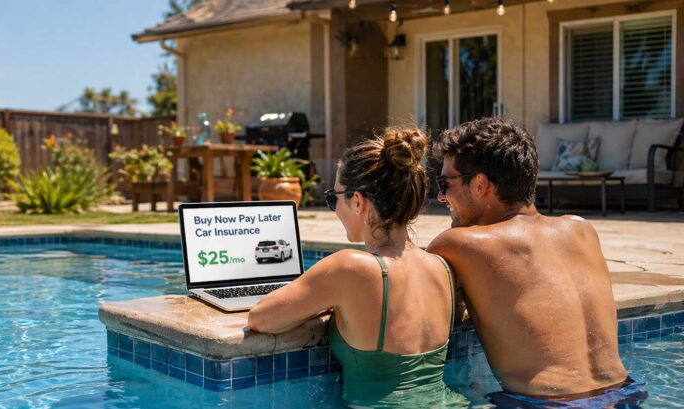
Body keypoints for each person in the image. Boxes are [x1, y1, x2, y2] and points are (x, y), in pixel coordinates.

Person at [427, 117, 645, 405]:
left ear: (480, 184)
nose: (442, 195)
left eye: (445, 182)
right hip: (626, 394)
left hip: (546, 403)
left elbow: (422, 316)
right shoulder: (581, 230)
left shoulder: (459, 244)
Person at [248, 127, 461, 406]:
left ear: (357, 201)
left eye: (332, 198)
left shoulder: (349, 269)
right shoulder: (441, 268)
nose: (333, 208)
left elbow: (260, 319)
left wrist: (322, 302)